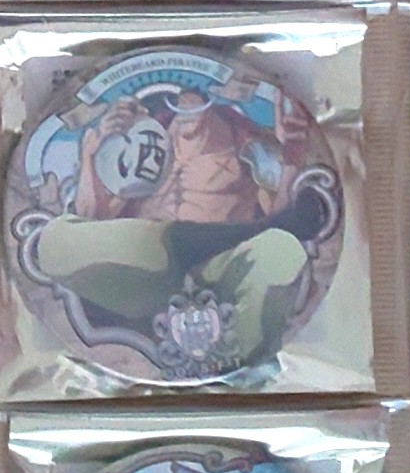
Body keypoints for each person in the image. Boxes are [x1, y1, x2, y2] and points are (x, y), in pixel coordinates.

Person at [22, 83, 336, 369]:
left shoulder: (242, 140)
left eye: (195, 99)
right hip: (146, 274)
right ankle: (184, 244)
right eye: (180, 101)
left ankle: (233, 371)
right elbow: (92, 222)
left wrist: (292, 157)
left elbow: (279, 218)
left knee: (283, 248)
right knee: (54, 239)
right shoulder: (146, 142)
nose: (187, 109)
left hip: (219, 275)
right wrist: (94, 153)